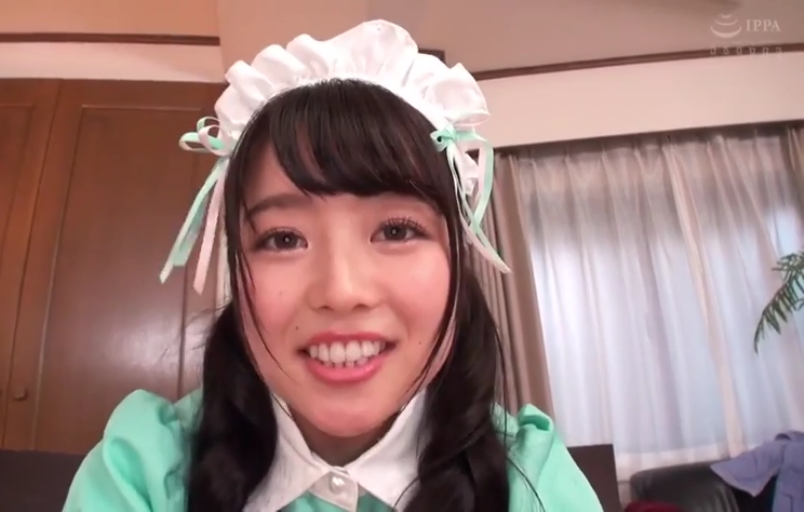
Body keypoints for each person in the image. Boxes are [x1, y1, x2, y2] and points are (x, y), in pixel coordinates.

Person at [62, 20, 603, 512]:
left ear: (458, 261)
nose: (341, 292)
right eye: (284, 238)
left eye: (396, 231)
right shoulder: (143, 473)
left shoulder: (533, 483)